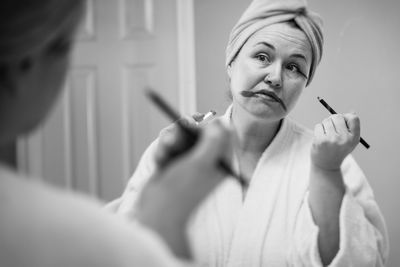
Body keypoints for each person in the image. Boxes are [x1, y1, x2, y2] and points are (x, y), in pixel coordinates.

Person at [108, 0, 389, 266]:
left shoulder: (334, 164)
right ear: (231, 63)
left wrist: (326, 171)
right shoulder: (176, 147)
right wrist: (167, 172)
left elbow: (362, 261)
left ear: (305, 83)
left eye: (294, 67)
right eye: (262, 56)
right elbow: (127, 248)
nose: (276, 78)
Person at [0, 0, 235, 266]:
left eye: (293, 66)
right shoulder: (56, 235)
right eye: (67, 46)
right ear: (24, 62)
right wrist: (166, 217)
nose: (274, 77)